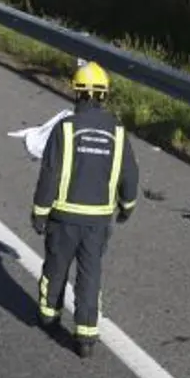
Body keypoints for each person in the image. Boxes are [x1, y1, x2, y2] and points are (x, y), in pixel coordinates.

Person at [31, 61, 139, 357]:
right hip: (98, 222)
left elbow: (49, 174)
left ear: (77, 94)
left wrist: (40, 212)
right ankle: (86, 338)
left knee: (55, 268)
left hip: (63, 217)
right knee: (90, 276)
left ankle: (48, 316)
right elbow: (129, 174)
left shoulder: (65, 129)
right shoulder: (117, 131)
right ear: (104, 95)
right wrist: (127, 206)